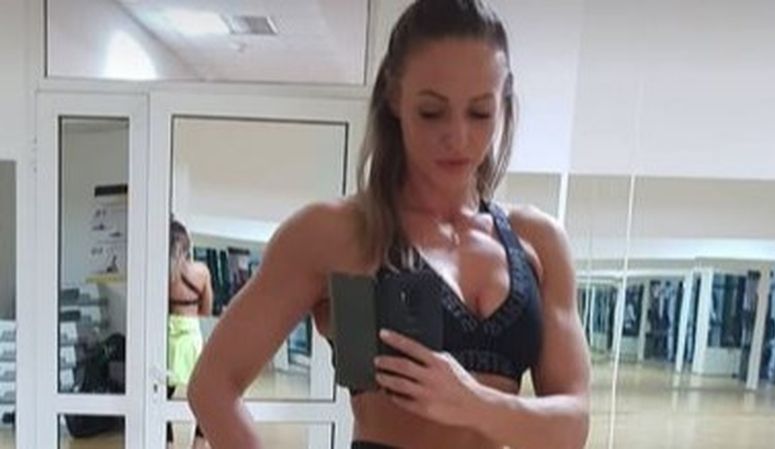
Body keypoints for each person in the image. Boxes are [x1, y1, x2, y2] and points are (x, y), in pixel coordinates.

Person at [187, 1, 590, 448]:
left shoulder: (538, 242)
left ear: (504, 104)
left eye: (480, 112)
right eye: (432, 111)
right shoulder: (335, 234)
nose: (457, 136)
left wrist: (474, 404)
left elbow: (572, 426)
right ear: (395, 98)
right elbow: (212, 386)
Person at [168, 219, 213, 449]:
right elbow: (207, 310)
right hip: (191, 337)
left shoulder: (163, 274)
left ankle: (168, 444)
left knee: (161, 395)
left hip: (167, 336)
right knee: (206, 395)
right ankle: (198, 444)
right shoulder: (201, 271)